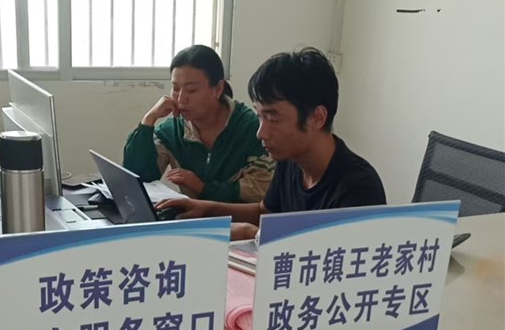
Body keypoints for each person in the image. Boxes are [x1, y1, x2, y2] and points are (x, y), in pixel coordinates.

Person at [157, 47, 386, 238]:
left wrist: (254, 234)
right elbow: (264, 212)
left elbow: (329, 262)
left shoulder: (358, 188)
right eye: (260, 117)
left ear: (317, 117)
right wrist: (205, 209)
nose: (261, 133)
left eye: (273, 118)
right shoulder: (291, 161)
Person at [123, 44, 274, 203]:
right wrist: (148, 121)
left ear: (218, 89)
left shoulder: (250, 128)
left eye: (192, 90)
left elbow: (261, 192)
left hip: (240, 217)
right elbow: (137, 183)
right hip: (191, 216)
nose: (181, 99)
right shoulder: (172, 131)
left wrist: (203, 188)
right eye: (175, 88)